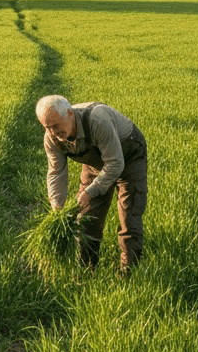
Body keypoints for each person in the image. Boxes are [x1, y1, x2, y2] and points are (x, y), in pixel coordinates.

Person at [35, 95, 148, 273]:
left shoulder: (97, 120)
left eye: (56, 125)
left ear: (70, 114)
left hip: (128, 157)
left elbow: (116, 164)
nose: (53, 132)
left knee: (129, 216)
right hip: (95, 164)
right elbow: (56, 171)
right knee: (87, 218)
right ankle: (86, 270)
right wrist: (57, 204)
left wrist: (90, 191)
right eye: (47, 127)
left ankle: (129, 273)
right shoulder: (51, 138)